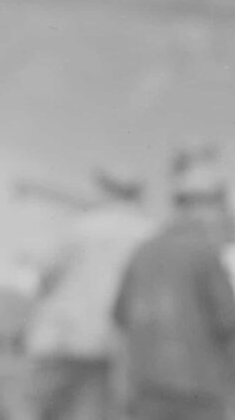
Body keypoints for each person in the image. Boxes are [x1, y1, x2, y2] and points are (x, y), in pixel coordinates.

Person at [112, 151, 235, 420]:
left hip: (146, 387)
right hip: (197, 389)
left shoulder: (143, 251)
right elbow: (229, 320)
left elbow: (119, 314)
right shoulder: (204, 254)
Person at [24, 166, 155, 420]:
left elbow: (46, 276)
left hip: (63, 339)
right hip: (115, 344)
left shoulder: (80, 227)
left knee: (47, 410)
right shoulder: (149, 232)